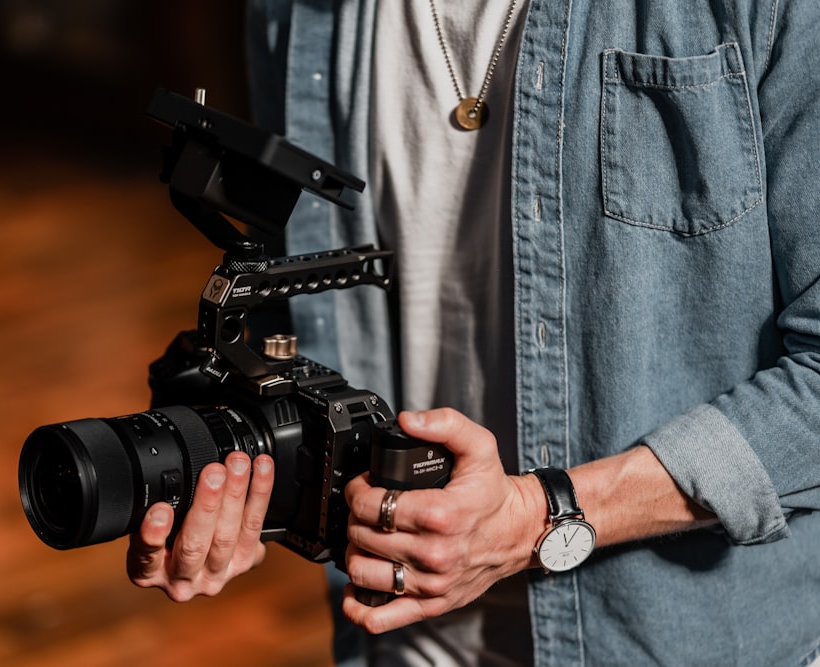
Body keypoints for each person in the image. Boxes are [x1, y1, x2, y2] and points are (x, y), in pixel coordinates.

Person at [128, 0, 820, 665]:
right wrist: (232, 482)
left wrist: (539, 516)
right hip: (399, 636)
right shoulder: (297, 11)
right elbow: (294, 315)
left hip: (684, 640)